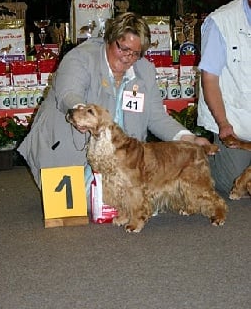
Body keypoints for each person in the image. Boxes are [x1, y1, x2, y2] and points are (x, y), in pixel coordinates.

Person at [18, 12, 211, 200]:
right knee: (101, 202)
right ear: (110, 39)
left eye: (136, 53)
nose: (129, 57)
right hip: (69, 148)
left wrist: (189, 138)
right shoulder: (80, 58)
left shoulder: (145, 70)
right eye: (123, 48)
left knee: (142, 197)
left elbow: (156, 117)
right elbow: (68, 94)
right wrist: (80, 113)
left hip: (120, 158)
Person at [197, 0, 251, 195]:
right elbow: (209, 79)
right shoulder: (220, 22)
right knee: (230, 182)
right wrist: (223, 123)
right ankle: (196, 161)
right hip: (232, 120)